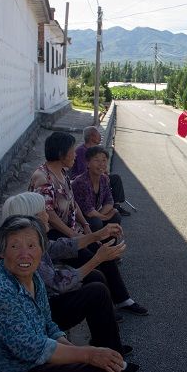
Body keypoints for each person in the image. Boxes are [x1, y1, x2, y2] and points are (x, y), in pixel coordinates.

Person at [0, 193, 140, 372]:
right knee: (96, 291)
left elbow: (59, 247)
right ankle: (111, 358)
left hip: (38, 316)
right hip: (24, 341)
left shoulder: (23, 241)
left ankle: (108, 348)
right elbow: (57, 284)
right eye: (44, 212)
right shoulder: (20, 256)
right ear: (30, 219)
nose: (48, 215)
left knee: (94, 278)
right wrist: (97, 259)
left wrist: (97, 235)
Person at [0, 215, 121, 372]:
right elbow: (31, 349)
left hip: (33, 363)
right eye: (14, 246)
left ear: (42, 249)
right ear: (2, 253)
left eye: (31, 246)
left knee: (101, 368)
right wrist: (87, 354)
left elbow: (48, 325)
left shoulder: (33, 278)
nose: (24, 255)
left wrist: (78, 352)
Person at [29, 132, 148, 316]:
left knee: (104, 251)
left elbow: (72, 202)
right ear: (61, 154)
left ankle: (123, 299)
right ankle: (106, 304)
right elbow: (49, 214)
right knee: (93, 259)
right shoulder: (43, 177)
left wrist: (84, 225)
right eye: (72, 151)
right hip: (52, 236)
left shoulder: (62, 172)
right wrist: (72, 234)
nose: (75, 155)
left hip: (71, 231)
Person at [71, 126, 131, 216]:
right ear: (92, 136)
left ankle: (116, 205)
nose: (100, 135)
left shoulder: (96, 150)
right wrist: (101, 173)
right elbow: (83, 170)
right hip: (83, 178)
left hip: (96, 175)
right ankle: (101, 213)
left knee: (115, 178)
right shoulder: (81, 151)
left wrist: (102, 171)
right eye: (98, 133)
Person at [73, 146, 122, 232]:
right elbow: (88, 211)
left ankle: (109, 244)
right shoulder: (81, 182)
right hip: (78, 218)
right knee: (96, 222)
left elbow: (109, 201)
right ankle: (94, 245)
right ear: (88, 163)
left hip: (94, 213)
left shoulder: (103, 178)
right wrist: (105, 217)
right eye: (96, 160)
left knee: (116, 216)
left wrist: (101, 215)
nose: (101, 164)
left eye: (104, 160)